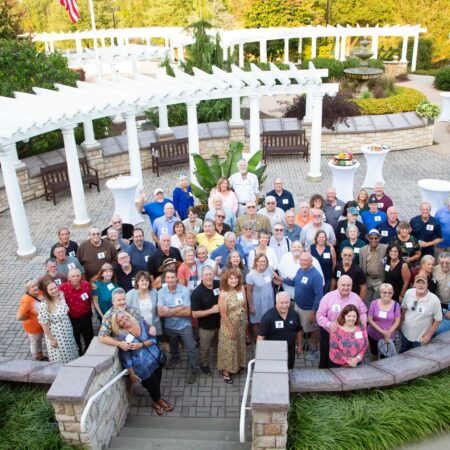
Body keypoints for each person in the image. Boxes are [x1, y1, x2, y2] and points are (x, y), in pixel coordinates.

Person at [112, 310, 173, 415]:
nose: (123, 320)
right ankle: (159, 401)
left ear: (127, 315)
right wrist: (131, 374)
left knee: (157, 381)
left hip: (155, 359)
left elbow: (153, 339)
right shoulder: (122, 336)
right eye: (119, 321)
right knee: (152, 385)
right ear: (118, 325)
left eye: (123, 316)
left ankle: (155, 400)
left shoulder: (140, 322)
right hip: (142, 367)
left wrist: (142, 345)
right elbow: (126, 357)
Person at [157, 269, 199, 384]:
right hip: (169, 326)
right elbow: (160, 313)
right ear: (165, 279)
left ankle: (195, 369)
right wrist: (179, 308)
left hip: (185, 325)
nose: (170, 280)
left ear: (177, 279)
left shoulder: (184, 290)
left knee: (191, 348)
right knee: (173, 344)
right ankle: (175, 358)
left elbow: (187, 312)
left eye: (172, 277)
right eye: (168, 278)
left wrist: (168, 310)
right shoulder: (161, 292)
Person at [316, 275, 367, 368]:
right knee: (326, 360)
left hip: (351, 336)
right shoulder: (328, 297)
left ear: (351, 286)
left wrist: (363, 320)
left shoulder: (355, 297)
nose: (346, 288)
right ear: (338, 285)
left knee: (351, 361)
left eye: (348, 285)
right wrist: (329, 324)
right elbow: (319, 316)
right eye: (343, 285)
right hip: (331, 333)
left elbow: (363, 312)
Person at [282, 252, 323, 361]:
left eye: (305, 260)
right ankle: (302, 345)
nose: (303, 262)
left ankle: (314, 348)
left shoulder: (316, 276)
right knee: (299, 327)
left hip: (309, 309)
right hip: (298, 306)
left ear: (311, 261)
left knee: (313, 329)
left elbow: (319, 296)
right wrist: (282, 280)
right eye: (301, 260)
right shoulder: (300, 270)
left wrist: (313, 312)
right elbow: (295, 282)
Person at [217, 269, 247, 384]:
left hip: (241, 322)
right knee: (229, 347)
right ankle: (226, 371)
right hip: (228, 324)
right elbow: (223, 314)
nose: (234, 280)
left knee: (239, 345)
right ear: (226, 280)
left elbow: (244, 305)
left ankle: (238, 366)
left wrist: (246, 322)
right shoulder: (223, 293)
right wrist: (231, 329)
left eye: (236, 278)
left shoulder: (241, 288)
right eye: (231, 278)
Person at [258, 292, 302, 369]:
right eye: (281, 303)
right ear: (276, 302)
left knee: (289, 369)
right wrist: (260, 354)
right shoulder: (268, 317)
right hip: (274, 352)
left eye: (287, 302)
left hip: (290, 350)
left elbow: (298, 331)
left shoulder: (295, 314)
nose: (284, 306)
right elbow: (261, 337)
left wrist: (300, 346)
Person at [38, 280, 79, 363]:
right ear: (46, 292)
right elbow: (44, 324)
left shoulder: (61, 295)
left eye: (55, 288)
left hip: (67, 328)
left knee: (71, 349)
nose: (54, 290)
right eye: (51, 289)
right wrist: (51, 339)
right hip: (57, 333)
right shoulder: (44, 305)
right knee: (61, 354)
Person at [191, 266, 221, 375]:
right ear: (202, 276)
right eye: (206, 275)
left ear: (213, 274)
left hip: (220, 323)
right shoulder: (197, 293)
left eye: (210, 274)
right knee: (205, 348)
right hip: (206, 327)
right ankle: (204, 365)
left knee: (220, 344)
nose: (208, 277)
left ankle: (221, 361)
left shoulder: (218, 284)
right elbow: (194, 314)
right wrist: (211, 310)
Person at [400, 276, 442, 352]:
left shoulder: (434, 300)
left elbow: (438, 319)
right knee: (401, 355)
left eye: (423, 283)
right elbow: (404, 309)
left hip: (420, 338)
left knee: (417, 361)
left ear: (427, 285)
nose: (421, 285)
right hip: (405, 333)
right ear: (414, 284)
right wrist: (400, 324)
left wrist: (429, 335)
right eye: (418, 282)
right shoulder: (408, 292)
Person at [58, 268, 94, 356]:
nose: (75, 278)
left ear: (81, 276)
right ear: (69, 277)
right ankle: (79, 354)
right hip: (71, 318)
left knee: (89, 337)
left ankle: (89, 353)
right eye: (73, 276)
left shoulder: (86, 285)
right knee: (75, 338)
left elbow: (90, 299)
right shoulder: (62, 288)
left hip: (86, 317)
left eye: (77, 276)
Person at [246, 254, 282, 340]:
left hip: (269, 300)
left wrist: (282, 281)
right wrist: (251, 306)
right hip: (257, 302)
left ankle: (267, 337)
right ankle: (258, 340)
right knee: (256, 321)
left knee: (268, 319)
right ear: (256, 262)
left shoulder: (269, 269)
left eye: (264, 261)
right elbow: (249, 291)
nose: (262, 263)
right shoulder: (251, 275)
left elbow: (277, 280)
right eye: (260, 261)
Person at [367, 283, 401, 361]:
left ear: (393, 293)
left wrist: (388, 333)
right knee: (374, 353)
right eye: (384, 292)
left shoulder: (396, 305)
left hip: (388, 337)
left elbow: (397, 321)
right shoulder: (374, 303)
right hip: (373, 334)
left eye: (390, 292)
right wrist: (382, 332)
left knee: (385, 355)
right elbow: (370, 319)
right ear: (380, 293)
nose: (387, 294)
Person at [16, 279, 46, 361]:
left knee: (39, 340)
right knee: (35, 342)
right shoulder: (26, 300)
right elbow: (19, 316)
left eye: (36, 285)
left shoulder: (39, 292)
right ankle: (37, 357)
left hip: (42, 324)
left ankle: (40, 354)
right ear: (28, 289)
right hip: (33, 328)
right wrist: (29, 318)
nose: (35, 287)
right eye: (32, 286)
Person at [126, 271, 162, 337]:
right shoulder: (130, 295)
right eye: (142, 280)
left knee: (154, 344)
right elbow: (127, 313)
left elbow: (159, 308)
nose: (144, 282)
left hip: (154, 326)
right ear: (137, 282)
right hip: (139, 327)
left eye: (147, 280)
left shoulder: (154, 292)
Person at [359, 229, 387, 304]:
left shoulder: (385, 248)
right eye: (371, 238)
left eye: (376, 238)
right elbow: (361, 265)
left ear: (379, 238)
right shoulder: (362, 250)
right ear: (368, 239)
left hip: (379, 279)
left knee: (379, 302)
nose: (373, 240)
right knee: (366, 301)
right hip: (368, 279)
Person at [308, 229, 336, 294]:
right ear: (316, 238)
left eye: (323, 237)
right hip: (313, 278)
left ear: (326, 238)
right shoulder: (310, 248)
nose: (321, 239)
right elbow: (307, 262)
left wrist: (333, 279)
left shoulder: (330, 248)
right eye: (319, 237)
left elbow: (334, 264)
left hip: (327, 279)